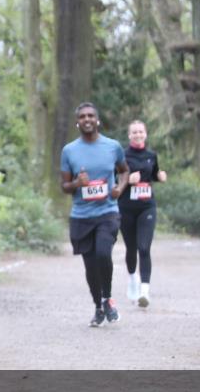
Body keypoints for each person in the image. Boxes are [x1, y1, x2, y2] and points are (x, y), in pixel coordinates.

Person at [59, 102, 130, 327]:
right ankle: (99, 306)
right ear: (77, 122)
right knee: (90, 266)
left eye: (91, 116)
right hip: (81, 215)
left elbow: (124, 170)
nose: (87, 119)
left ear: (97, 120)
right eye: (82, 116)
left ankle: (107, 298)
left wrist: (120, 187)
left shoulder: (112, 146)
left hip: (107, 212)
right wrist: (76, 183)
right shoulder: (69, 150)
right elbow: (64, 186)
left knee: (103, 254)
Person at [118, 120, 167, 307]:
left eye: (141, 131)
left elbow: (153, 173)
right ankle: (132, 279)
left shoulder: (151, 155)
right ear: (129, 135)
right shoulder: (122, 155)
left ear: (145, 134)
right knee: (131, 248)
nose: (138, 135)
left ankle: (144, 290)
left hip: (147, 206)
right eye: (134, 132)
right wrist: (128, 179)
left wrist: (159, 176)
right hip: (126, 206)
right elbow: (115, 178)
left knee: (144, 247)